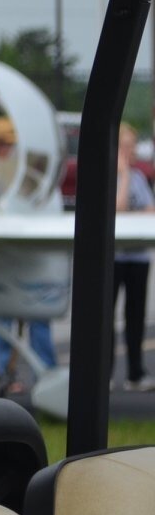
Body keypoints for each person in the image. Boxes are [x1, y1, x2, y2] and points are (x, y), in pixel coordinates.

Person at [0, 115, 57, 388]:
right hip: (5, 256)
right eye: (3, 145)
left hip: (31, 257)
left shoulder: (31, 176)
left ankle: (46, 374)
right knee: (4, 318)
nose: (8, 151)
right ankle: (7, 374)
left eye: (11, 145)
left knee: (39, 318)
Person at [115, 122, 155, 391]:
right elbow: (116, 209)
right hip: (115, 256)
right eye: (126, 146)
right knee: (105, 316)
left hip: (138, 257)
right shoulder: (113, 176)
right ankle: (103, 373)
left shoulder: (140, 178)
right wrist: (124, 175)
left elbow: (150, 211)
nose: (131, 151)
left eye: (131, 146)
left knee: (136, 316)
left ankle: (135, 373)